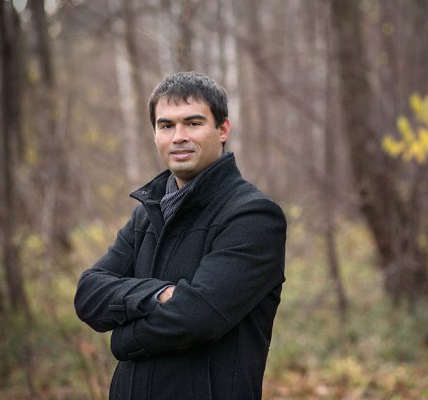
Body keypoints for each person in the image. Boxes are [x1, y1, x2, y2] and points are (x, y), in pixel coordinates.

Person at [74, 71, 287, 399]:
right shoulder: (146, 214)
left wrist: (122, 339)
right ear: (155, 134)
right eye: (166, 126)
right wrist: (157, 295)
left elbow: (199, 317)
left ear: (223, 129)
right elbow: (88, 293)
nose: (178, 137)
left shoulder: (253, 216)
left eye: (193, 123)